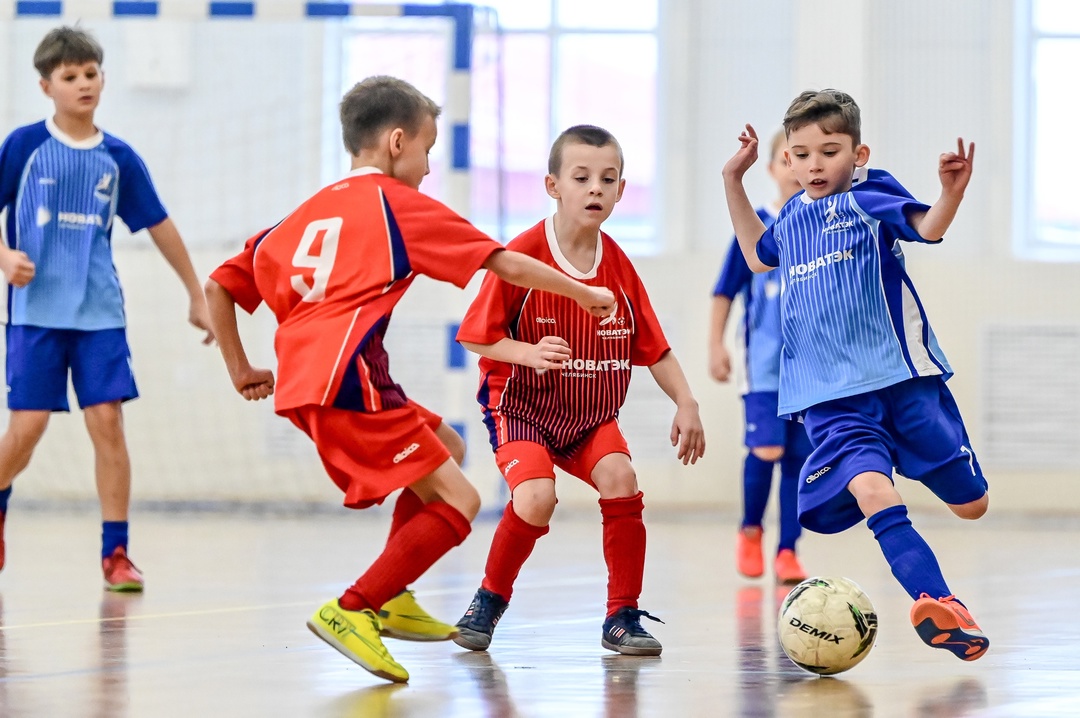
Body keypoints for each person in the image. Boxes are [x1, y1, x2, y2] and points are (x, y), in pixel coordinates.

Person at [203, 77, 615, 684]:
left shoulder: (306, 212)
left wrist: (241, 368)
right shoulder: (397, 203)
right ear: (397, 142)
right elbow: (502, 262)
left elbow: (220, 284)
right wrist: (582, 291)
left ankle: (393, 596)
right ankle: (353, 608)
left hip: (312, 377)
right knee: (461, 500)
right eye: (426, 150)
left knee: (444, 447)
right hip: (348, 376)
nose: (427, 169)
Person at [721, 89, 989, 661]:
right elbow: (754, 255)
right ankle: (940, 602)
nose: (815, 164)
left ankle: (915, 465)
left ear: (857, 153)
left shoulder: (872, 195)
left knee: (972, 506)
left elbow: (929, 227)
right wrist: (733, 182)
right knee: (871, 490)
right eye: (801, 153)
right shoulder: (791, 219)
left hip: (902, 383)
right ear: (787, 161)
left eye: (830, 150)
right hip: (832, 402)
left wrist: (950, 195)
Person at [451, 125, 705, 657]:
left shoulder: (619, 267)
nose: (595, 189)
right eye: (582, 177)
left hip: (589, 416)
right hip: (522, 409)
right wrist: (528, 353)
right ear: (552, 185)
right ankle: (488, 601)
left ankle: (622, 616)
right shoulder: (522, 255)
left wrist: (686, 402)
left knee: (621, 476)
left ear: (620, 191)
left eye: (607, 179)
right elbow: (477, 336)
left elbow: (653, 349)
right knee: (536, 498)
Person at [0, 26, 213, 591]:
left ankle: (115, 553)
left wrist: (197, 293)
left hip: (99, 316)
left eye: (91, 73)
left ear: (103, 78)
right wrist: (3, 255)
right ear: (47, 86)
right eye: (70, 77)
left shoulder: (118, 158)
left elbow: (160, 225)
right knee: (26, 430)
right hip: (34, 315)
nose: (83, 84)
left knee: (108, 423)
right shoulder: (22, 147)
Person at [709, 129, 813, 584]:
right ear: (772, 168)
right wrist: (716, 344)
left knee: (800, 459)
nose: (796, 167)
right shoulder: (754, 229)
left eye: (804, 159)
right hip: (765, 364)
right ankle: (750, 529)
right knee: (766, 447)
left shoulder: (823, 228)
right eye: (787, 158)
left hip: (813, 370)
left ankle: (788, 549)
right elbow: (724, 292)